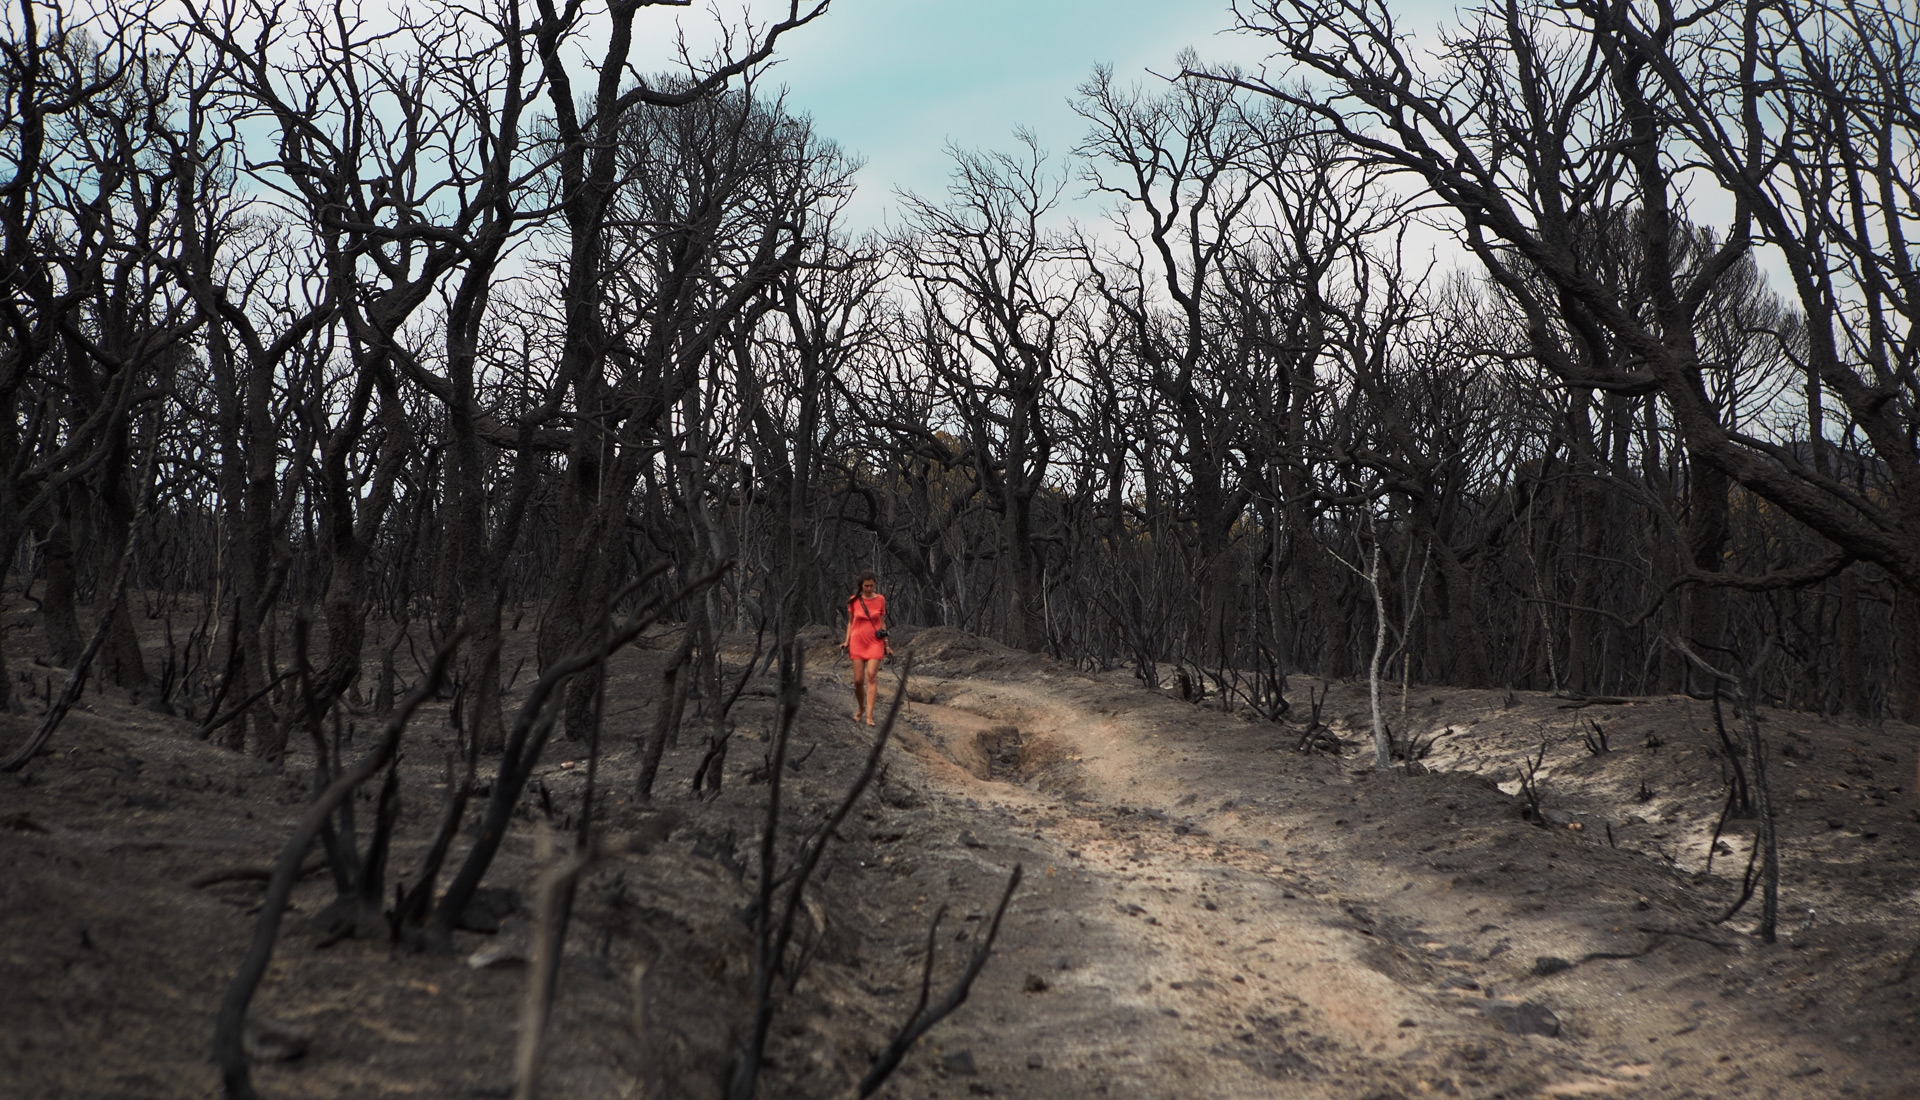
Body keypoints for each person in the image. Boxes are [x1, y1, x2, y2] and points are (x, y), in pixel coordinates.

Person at [839, 569, 891, 725]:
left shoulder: (880, 599)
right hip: (857, 642)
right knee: (858, 680)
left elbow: (882, 623)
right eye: (866, 586)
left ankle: (869, 716)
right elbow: (850, 622)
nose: (869, 589)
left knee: (871, 676)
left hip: (875, 642)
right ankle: (861, 707)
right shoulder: (853, 600)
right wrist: (846, 641)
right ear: (861, 586)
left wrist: (887, 645)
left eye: (872, 586)